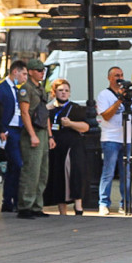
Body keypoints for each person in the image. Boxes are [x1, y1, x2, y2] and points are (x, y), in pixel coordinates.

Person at [45, 79, 90, 216]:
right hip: (56, 147)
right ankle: (62, 212)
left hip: (73, 146)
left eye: (66, 90)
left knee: (75, 174)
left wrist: (71, 124)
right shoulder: (49, 109)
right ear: (54, 92)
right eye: (60, 90)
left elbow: (85, 127)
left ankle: (78, 207)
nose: (63, 93)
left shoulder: (76, 108)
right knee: (58, 177)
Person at [97, 66, 132, 215]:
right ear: (109, 78)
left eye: (121, 75)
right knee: (108, 172)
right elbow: (106, 116)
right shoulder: (104, 95)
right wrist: (119, 100)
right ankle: (103, 203)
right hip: (110, 138)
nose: (119, 78)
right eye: (116, 75)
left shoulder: (127, 95)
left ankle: (125, 204)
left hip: (127, 137)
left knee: (126, 173)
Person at [16, 58, 51, 219]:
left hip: (42, 131)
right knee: (31, 171)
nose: (42, 73)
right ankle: (25, 206)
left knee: (42, 171)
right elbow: (25, 113)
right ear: (30, 72)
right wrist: (32, 135)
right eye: (39, 70)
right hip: (33, 131)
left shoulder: (41, 89)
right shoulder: (26, 89)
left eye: (43, 70)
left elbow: (45, 113)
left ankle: (37, 205)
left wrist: (50, 135)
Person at [0, 59, 28, 214]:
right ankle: (11, 199)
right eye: (24, 74)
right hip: (8, 130)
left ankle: (9, 201)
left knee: (14, 168)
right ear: (15, 72)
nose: (25, 77)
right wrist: (1, 129)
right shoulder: (1, 89)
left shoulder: (18, 90)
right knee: (17, 163)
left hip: (19, 129)